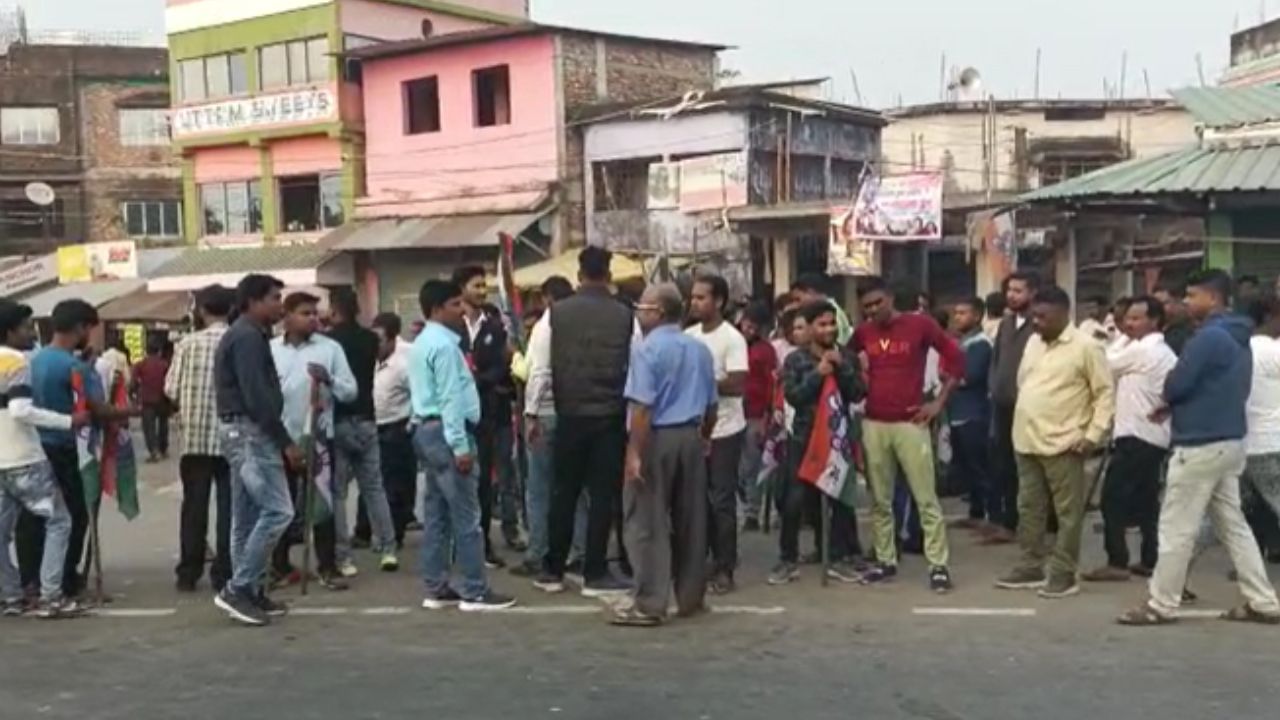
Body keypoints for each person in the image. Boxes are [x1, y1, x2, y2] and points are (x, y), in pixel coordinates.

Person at [1119, 269, 1280, 626]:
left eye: (1192, 296)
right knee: (1233, 526)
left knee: (1176, 526)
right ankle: (1264, 602)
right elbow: (1220, 386)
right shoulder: (1239, 337)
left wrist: (1171, 399)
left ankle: (1161, 604)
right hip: (1229, 439)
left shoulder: (1207, 338)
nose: (1186, 302)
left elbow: (1178, 383)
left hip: (1200, 443)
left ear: (1212, 298)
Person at [994, 286, 1114, 599]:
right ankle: (1031, 565)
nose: (1036, 322)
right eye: (1034, 315)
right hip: (1026, 439)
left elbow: (1104, 395)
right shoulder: (1034, 342)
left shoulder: (1087, 347)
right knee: (1029, 508)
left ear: (1065, 314)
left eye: (1044, 316)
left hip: (1066, 442)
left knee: (1067, 513)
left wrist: (1092, 436)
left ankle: (1063, 573)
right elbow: (1025, 383)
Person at [611, 284, 718, 626]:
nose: (638, 313)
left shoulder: (647, 351)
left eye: (641, 307)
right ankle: (691, 597)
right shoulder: (699, 348)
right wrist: (703, 437)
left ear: (657, 312)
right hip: (690, 434)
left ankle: (649, 602)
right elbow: (712, 404)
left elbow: (642, 407)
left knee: (647, 521)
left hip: (657, 436)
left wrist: (634, 453)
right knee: (692, 519)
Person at [13, 300, 133, 603]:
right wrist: (132, 410)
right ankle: (64, 579)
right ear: (81, 328)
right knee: (73, 517)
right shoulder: (75, 367)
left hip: (34, 449)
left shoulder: (32, 362)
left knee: (33, 518)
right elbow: (98, 409)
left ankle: (30, 580)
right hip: (67, 449)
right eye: (89, 329)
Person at [533, 248, 634, 597]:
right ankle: (595, 571)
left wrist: (532, 413)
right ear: (608, 275)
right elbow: (633, 372)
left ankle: (552, 570)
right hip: (609, 416)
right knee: (603, 496)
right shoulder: (625, 316)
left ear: (579, 274)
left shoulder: (555, 315)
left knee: (564, 493)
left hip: (569, 415)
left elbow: (542, 370)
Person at [410, 280, 515, 611]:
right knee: (467, 517)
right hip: (447, 431)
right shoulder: (444, 348)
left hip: (427, 429)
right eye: (456, 304)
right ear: (438, 309)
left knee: (438, 514)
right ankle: (474, 588)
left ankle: (437, 585)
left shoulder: (422, 343)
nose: (462, 310)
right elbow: (450, 398)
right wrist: (460, 446)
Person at [852, 277, 963, 591]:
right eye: (868, 307)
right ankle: (886, 560)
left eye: (878, 303)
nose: (874, 310)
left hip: (911, 423)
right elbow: (848, 364)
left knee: (925, 497)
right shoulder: (863, 333)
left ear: (890, 298)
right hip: (874, 422)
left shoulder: (921, 325)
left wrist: (938, 403)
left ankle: (938, 565)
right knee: (880, 500)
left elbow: (956, 358)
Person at [214, 274, 297, 626]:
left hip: (240, 430)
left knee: (246, 517)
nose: (280, 305)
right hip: (250, 431)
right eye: (274, 298)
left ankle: (249, 590)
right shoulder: (247, 337)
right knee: (279, 511)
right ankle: (239, 586)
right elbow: (257, 396)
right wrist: (285, 442)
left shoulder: (247, 335)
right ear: (252, 301)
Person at [0, 300, 90, 618]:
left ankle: (11, 595)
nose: (31, 333)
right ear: (10, 331)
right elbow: (21, 410)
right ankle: (52, 595)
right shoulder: (16, 362)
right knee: (60, 521)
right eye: (26, 327)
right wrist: (68, 421)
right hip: (25, 456)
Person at [770, 301, 866, 585]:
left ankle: (836, 555)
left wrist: (841, 370)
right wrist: (818, 374)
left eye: (831, 323)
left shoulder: (846, 357)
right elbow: (794, 396)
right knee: (795, 500)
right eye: (822, 324)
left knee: (839, 499)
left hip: (837, 439)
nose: (828, 329)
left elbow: (858, 393)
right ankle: (788, 558)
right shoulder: (796, 360)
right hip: (804, 437)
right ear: (810, 328)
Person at [1082, 296, 1175, 583]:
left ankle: (1117, 561)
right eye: (1127, 318)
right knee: (1147, 502)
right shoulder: (1158, 350)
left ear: (1155, 321)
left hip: (1137, 435)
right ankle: (1150, 558)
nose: (1129, 323)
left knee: (1112, 499)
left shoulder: (1144, 351)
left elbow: (1103, 362)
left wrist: (1114, 337)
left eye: (1136, 318)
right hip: (1150, 436)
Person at [269, 292, 357, 591]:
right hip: (282, 437)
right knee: (280, 504)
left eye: (315, 313)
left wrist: (329, 380)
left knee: (322, 505)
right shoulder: (270, 350)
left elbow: (351, 391)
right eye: (305, 313)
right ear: (287, 316)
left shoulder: (330, 349)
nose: (313, 318)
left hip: (319, 437)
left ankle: (328, 566)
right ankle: (279, 566)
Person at [166, 285, 235, 593]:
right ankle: (225, 570)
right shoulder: (240, 340)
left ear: (203, 310)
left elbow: (171, 389)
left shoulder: (187, 344)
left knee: (194, 506)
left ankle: (189, 571)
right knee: (229, 507)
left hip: (194, 438)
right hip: (232, 437)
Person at [327, 288, 399, 575]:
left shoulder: (329, 342)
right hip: (369, 418)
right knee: (374, 487)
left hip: (340, 420)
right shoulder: (371, 339)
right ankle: (388, 548)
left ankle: (343, 555)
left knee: (338, 492)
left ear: (334, 309)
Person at [453, 265, 522, 565]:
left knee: (484, 483)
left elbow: (499, 368)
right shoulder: (451, 326)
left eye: (485, 285)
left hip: (489, 414)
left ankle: (483, 544)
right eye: (476, 285)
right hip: (456, 415)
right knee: (456, 484)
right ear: (461, 288)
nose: (482, 290)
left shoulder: (495, 326)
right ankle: (457, 543)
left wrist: (476, 380)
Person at [686, 275, 750, 594]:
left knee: (722, 499)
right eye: (693, 297)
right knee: (698, 499)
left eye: (702, 297)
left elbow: (737, 383)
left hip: (726, 428)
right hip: (693, 427)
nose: (695, 302)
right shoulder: (688, 336)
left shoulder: (732, 339)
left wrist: (703, 381)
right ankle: (705, 558)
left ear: (720, 301)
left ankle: (726, 566)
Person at [519, 276, 575, 578]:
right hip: (575, 411)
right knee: (573, 488)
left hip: (546, 412)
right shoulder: (581, 321)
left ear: (546, 298)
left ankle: (538, 551)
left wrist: (530, 414)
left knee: (539, 488)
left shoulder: (545, 326)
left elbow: (539, 373)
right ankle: (576, 550)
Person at [987, 271, 1040, 543]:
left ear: (1032, 293)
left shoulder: (1040, 324)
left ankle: (1040, 525)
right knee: (1004, 465)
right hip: (1003, 405)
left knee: (1032, 466)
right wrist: (993, 387)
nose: (1012, 295)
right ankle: (1008, 523)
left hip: (1031, 409)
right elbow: (997, 359)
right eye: (1009, 290)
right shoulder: (1006, 324)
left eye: (1018, 290)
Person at [945, 297, 996, 532]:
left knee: (979, 467)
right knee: (967, 468)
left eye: (963, 312)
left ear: (977, 316)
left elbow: (968, 377)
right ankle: (975, 512)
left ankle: (990, 515)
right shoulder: (961, 343)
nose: (957, 317)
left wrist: (948, 377)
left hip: (974, 414)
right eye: (956, 312)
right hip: (957, 412)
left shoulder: (980, 344)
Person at [1239, 297, 1280, 566]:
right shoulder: (1273, 351)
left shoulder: (1240, 350)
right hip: (1271, 441)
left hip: (1245, 443)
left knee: (1235, 512)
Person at [370, 312, 416, 550]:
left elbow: (418, 395)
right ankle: (371, 530)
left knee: (396, 485)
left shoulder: (404, 362)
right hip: (373, 427)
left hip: (398, 427)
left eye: (378, 340)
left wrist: (411, 426)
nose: (374, 345)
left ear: (391, 340)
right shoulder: (370, 358)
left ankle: (394, 533)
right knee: (374, 484)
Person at [133, 338, 171, 462]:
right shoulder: (165, 364)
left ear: (146, 351)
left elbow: (133, 383)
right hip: (163, 398)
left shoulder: (140, 364)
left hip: (147, 399)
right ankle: (163, 448)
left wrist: (132, 396)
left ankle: (154, 451)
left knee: (148, 427)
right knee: (163, 425)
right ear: (159, 351)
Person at [791, 274, 852, 345]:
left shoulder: (832, 312)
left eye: (798, 299)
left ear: (811, 292)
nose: (796, 305)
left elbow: (837, 343)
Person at [1153, 286, 1193, 357]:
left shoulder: (1190, 330)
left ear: (1179, 302)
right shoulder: (1155, 330)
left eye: (1163, 303)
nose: (1158, 308)